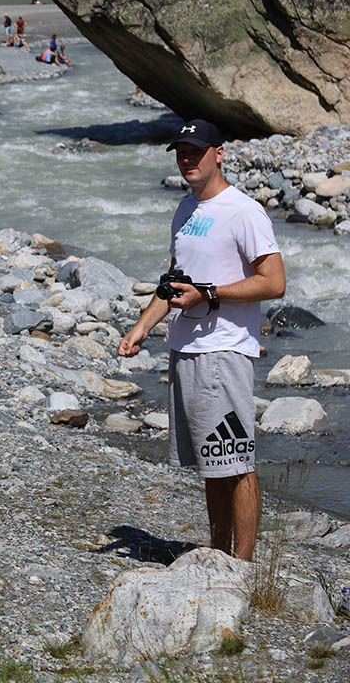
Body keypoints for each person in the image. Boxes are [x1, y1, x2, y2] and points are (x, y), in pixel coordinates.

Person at [120, 119, 285, 562]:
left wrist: (211, 293)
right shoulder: (184, 211)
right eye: (181, 152)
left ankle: (244, 567)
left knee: (237, 463)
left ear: (219, 154)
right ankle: (218, 555)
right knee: (214, 466)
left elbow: (274, 282)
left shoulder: (243, 211)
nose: (187, 159)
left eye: (196, 150)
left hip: (224, 351)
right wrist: (142, 326)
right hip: (186, 351)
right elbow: (175, 285)